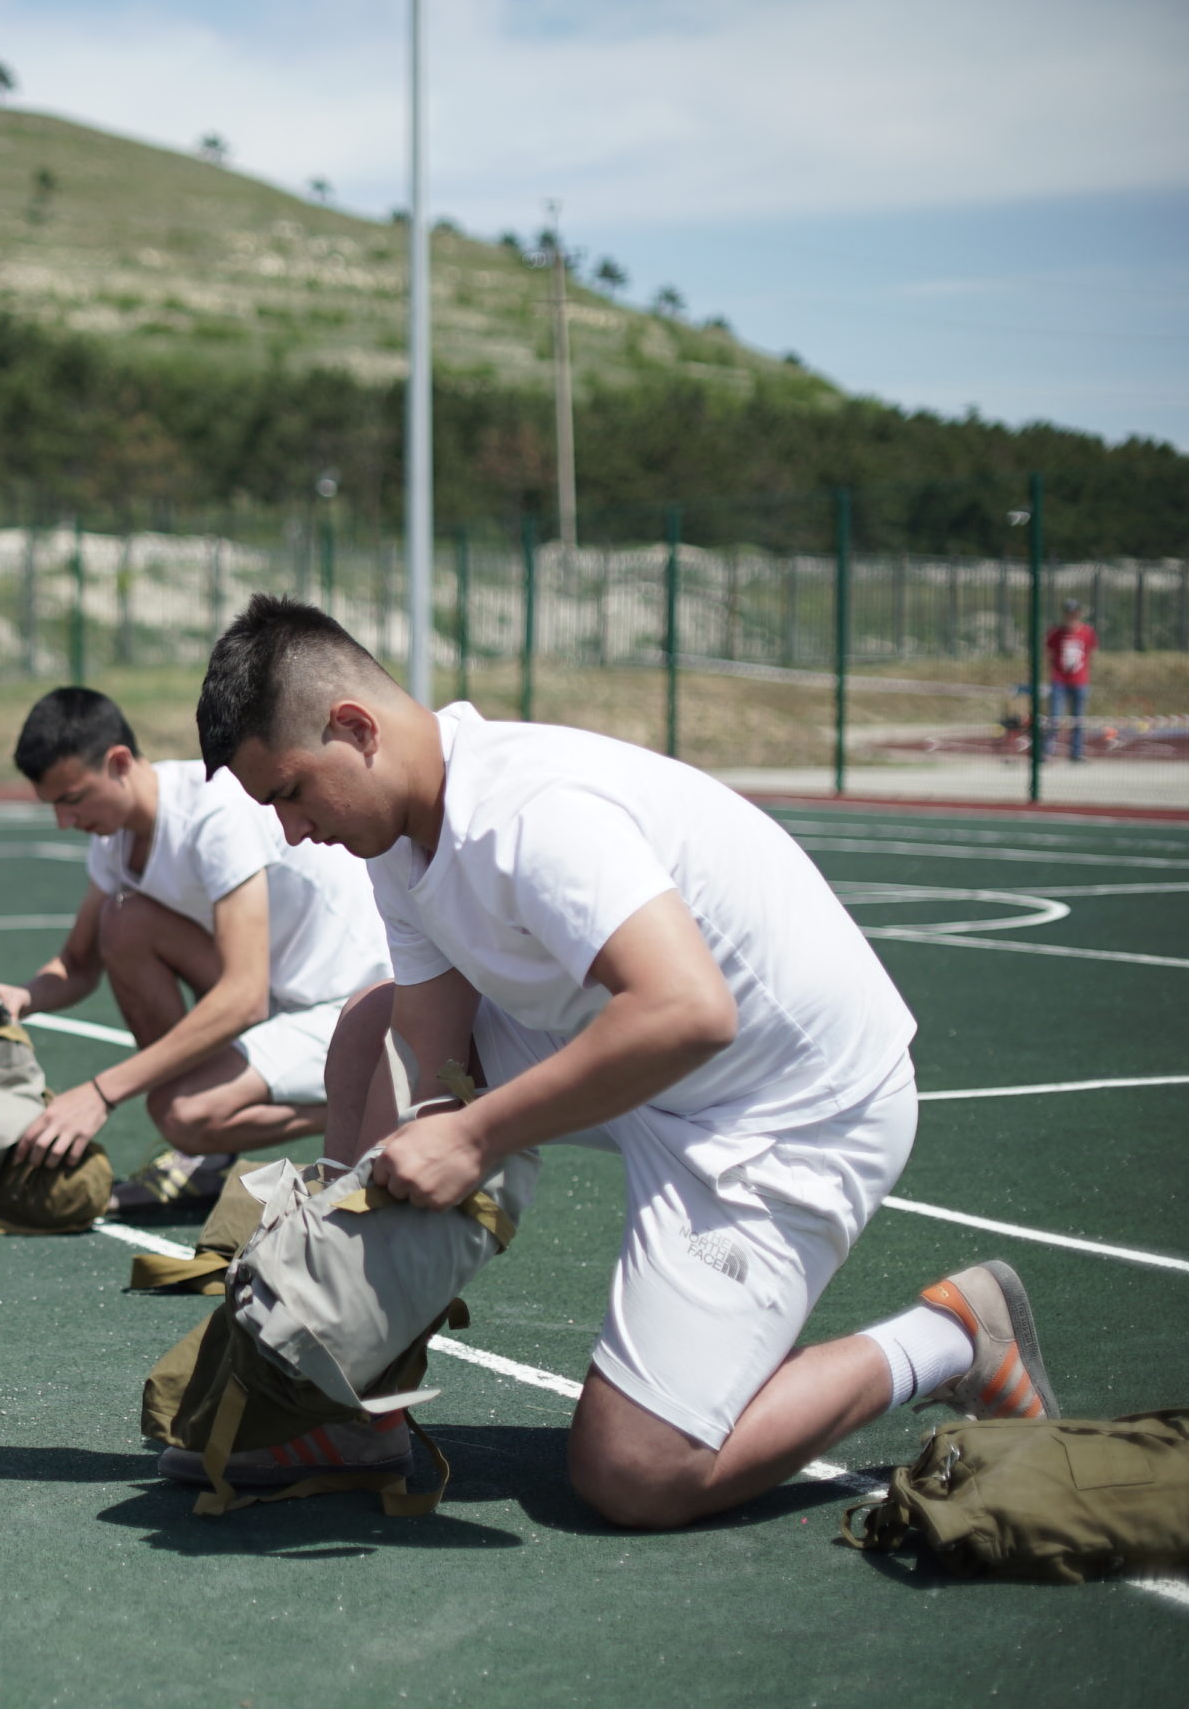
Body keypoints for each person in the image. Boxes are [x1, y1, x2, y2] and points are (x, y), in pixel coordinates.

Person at [192, 596, 1058, 1527]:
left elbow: (690, 1011)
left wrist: (475, 1132)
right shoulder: (396, 834)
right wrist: (350, 1247)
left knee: (636, 1473)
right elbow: (421, 1050)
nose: (287, 829)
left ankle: (952, 1337)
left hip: (789, 1107)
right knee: (371, 1034)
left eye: (287, 792)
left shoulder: (532, 811)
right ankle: (352, 1406)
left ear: (354, 729)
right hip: (643, 1050)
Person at [0, 687, 395, 1211]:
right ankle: (213, 1158)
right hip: (278, 990)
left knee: (184, 1113)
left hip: (347, 1003)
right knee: (125, 921)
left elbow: (244, 1000)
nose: (64, 821)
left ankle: (385, 1103)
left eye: (73, 798)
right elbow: (78, 965)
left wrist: (99, 1095)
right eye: (54, 806)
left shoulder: (212, 812)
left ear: (119, 763)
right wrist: (23, 998)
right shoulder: (115, 841)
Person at [1044, 598, 1097, 762]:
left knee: (1078, 718)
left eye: (1075, 613)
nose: (1072, 616)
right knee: (1054, 717)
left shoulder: (1087, 632)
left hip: (1080, 681)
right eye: (1069, 613)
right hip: (1059, 681)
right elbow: (1049, 653)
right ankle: (1047, 751)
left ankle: (1076, 752)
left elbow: (1091, 653)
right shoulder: (1056, 633)